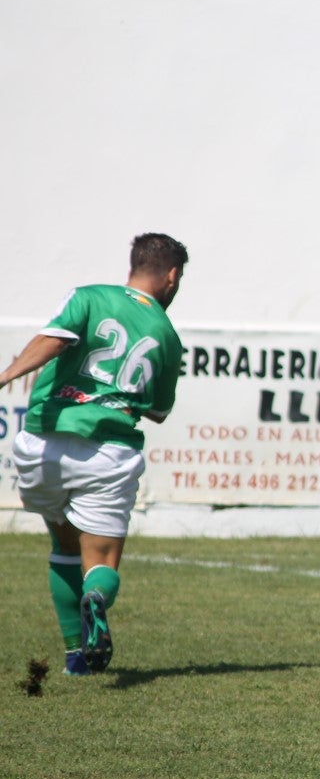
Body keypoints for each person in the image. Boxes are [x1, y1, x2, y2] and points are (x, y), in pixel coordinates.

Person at [0, 233, 188, 676]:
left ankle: (75, 660)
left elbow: (56, 339)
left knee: (63, 541)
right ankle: (96, 599)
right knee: (99, 561)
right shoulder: (166, 333)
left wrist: (7, 374)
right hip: (108, 452)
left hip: (45, 441)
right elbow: (158, 411)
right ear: (173, 276)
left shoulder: (88, 297)